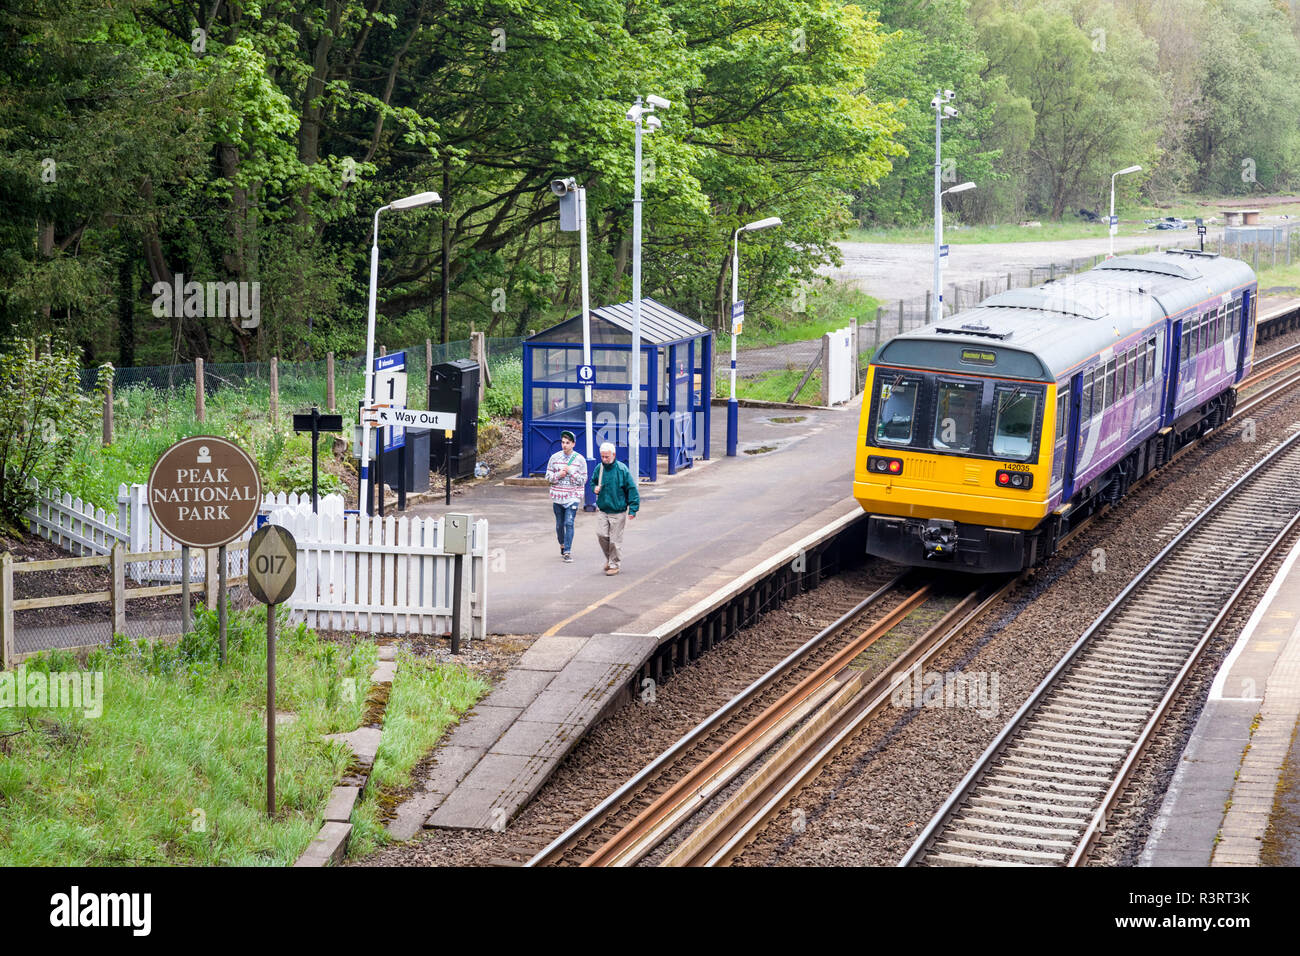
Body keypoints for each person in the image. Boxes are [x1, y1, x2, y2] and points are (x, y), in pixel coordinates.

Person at [590, 441, 639, 575]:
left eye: (607, 457)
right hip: (603, 509)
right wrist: (594, 488)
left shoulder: (622, 469)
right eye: (602, 457)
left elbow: (631, 489)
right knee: (601, 535)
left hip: (618, 510)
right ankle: (610, 559)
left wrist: (633, 508)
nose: (604, 460)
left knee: (615, 540)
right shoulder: (599, 468)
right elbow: (592, 482)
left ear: (614, 455)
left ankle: (614, 564)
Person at [545, 430, 587, 562]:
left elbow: (583, 479)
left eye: (567, 443)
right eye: (563, 442)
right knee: (559, 525)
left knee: (569, 522)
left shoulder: (580, 460)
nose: (564, 445)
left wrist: (572, 473)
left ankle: (567, 551)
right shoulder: (554, 458)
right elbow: (548, 477)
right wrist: (558, 475)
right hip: (558, 496)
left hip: (573, 496)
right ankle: (562, 544)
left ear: (573, 444)